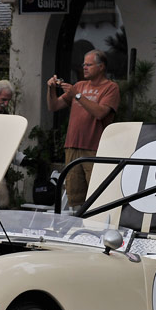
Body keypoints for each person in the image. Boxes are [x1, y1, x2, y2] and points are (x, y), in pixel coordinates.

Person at [46, 49, 120, 210]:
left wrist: (77, 95)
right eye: (83, 64)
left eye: (89, 65)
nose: (84, 67)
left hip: (94, 149)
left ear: (101, 67)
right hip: (72, 146)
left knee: (96, 194)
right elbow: (54, 106)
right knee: (74, 197)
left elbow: (100, 113)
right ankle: (77, 229)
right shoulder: (79, 85)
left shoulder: (110, 88)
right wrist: (51, 88)